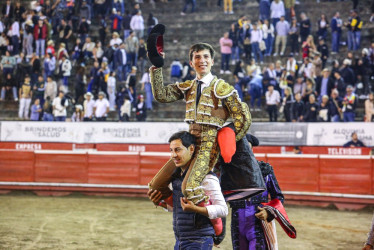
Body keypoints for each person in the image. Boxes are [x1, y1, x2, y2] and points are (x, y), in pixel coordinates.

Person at [148, 42, 251, 206]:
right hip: (188, 142)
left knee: (190, 187)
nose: (202, 60)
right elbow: (161, 95)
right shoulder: (188, 86)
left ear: (212, 61)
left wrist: (226, 137)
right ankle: (176, 208)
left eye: (205, 56)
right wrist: (157, 66)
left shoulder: (223, 88)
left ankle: (215, 217)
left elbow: (243, 118)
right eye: (197, 57)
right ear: (191, 63)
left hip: (208, 146)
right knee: (156, 186)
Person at [147, 131, 228, 250]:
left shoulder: (207, 177)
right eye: (171, 150)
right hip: (180, 240)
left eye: (178, 150)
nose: (173, 155)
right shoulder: (176, 178)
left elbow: (223, 210)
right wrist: (160, 203)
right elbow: (179, 208)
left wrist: (195, 209)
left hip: (200, 239)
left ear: (191, 149)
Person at [220, 133, 296, 250]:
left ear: (251, 150)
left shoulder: (265, 170)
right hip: (237, 225)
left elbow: (278, 197)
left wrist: (269, 212)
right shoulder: (229, 173)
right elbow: (220, 202)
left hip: (258, 224)